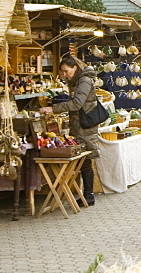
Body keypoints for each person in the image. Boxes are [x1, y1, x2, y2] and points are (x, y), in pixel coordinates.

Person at [42, 56, 100, 207]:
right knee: (84, 160)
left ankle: (89, 195)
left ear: (74, 67)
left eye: (66, 71)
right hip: (80, 123)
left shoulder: (84, 81)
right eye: (63, 72)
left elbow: (77, 103)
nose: (64, 75)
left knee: (86, 160)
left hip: (85, 124)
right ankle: (86, 194)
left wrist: (53, 109)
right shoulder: (78, 80)